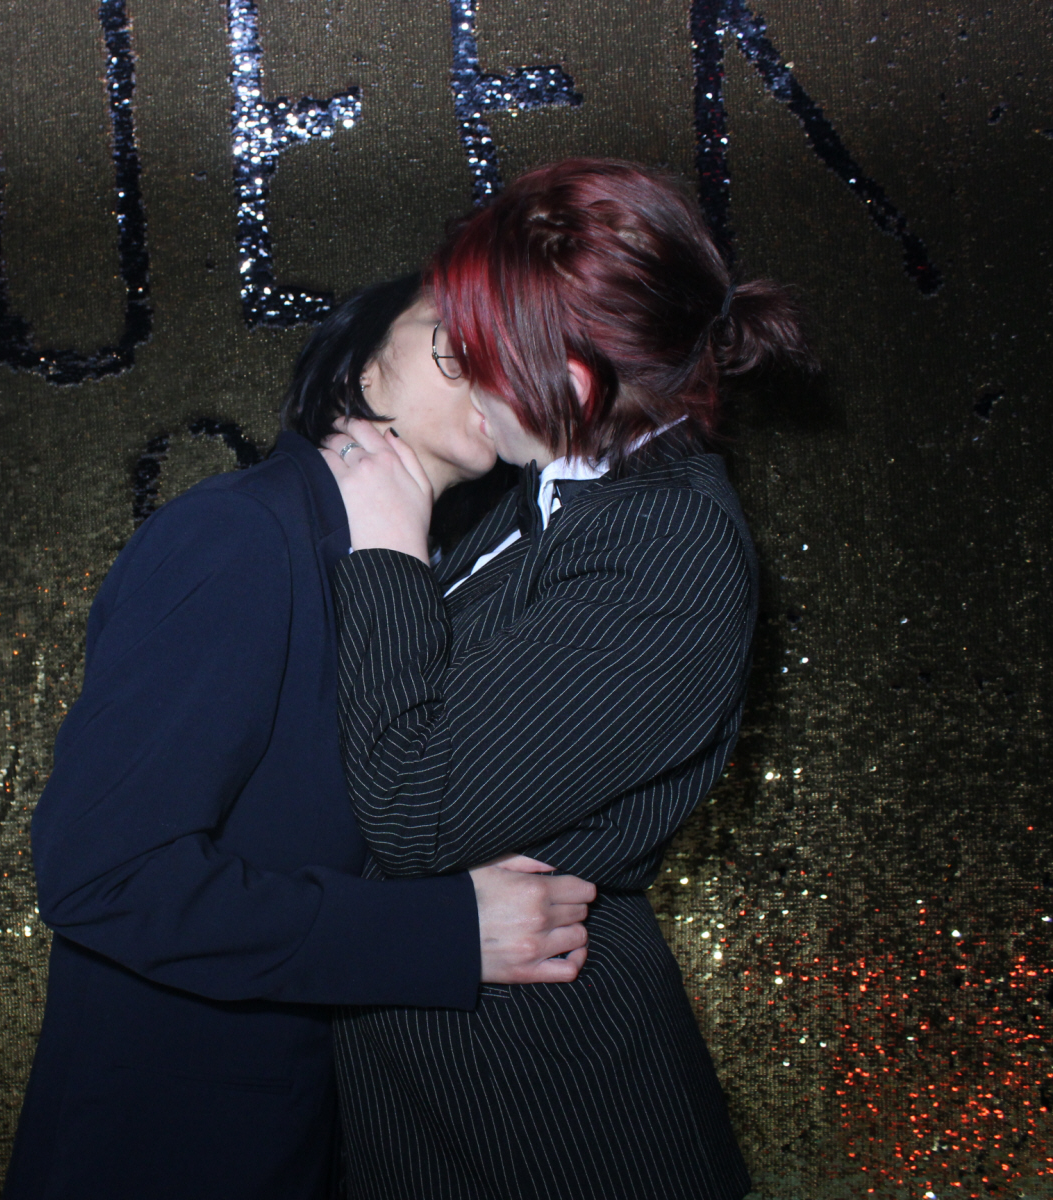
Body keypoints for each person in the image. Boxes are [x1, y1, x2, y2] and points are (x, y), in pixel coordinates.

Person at [4, 275, 599, 1200]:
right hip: (171, 1151)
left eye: (518, 348)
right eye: (456, 341)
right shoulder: (243, 534)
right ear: (361, 367)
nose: (498, 368)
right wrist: (446, 931)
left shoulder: (419, 571)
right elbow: (105, 874)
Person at [321, 159, 813, 1198]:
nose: (456, 368)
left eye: (475, 351)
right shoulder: (576, 486)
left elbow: (413, 806)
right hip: (446, 1078)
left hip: (544, 1107)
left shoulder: (666, 551)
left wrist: (389, 549)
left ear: (574, 387)